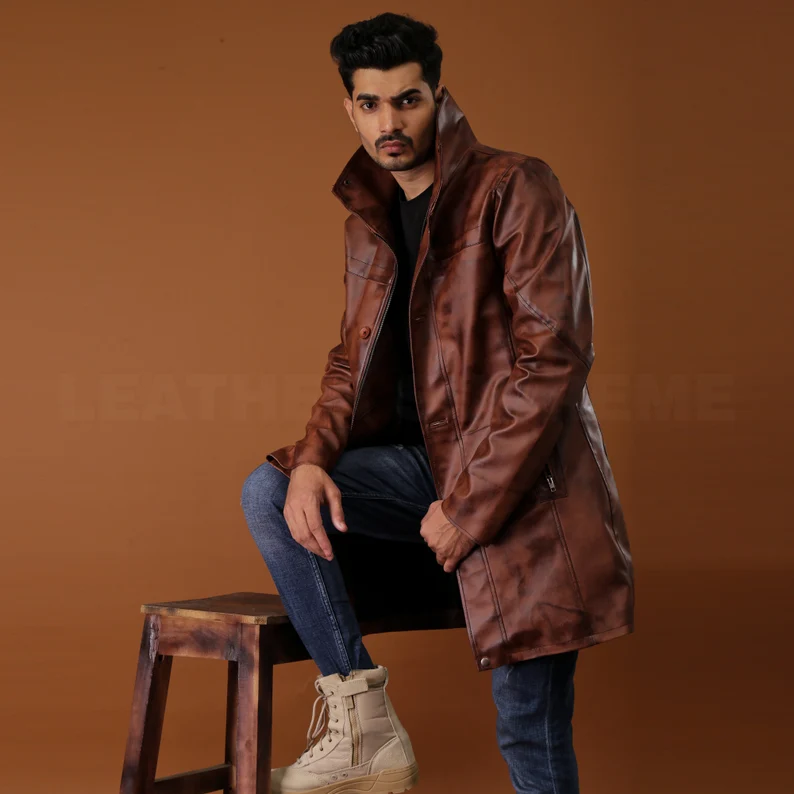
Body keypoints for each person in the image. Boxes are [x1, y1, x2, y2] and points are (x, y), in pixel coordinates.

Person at [241, 11, 635, 794]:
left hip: (524, 489)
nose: (389, 122)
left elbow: (553, 358)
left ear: (438, 98)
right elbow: (351, 359)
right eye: (371, 104)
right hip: (423, 474)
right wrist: (314, 460)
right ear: (350, 110)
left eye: (407, 100)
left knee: (527, 728)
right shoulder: (368, 222)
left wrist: (470, 504)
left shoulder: (515, 187)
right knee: (273, 489)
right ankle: (363, 721)